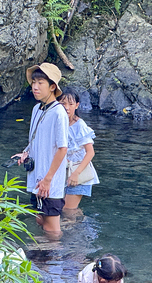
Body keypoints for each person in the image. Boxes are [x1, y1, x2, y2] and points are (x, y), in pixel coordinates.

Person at [11, 62, 68, 236]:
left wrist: (48, 180)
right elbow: (36, 139)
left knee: (52, 229)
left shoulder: (59, 113)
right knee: (39, 220)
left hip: (48, 182)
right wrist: (26, 152)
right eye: (33, 82)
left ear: (52, 87)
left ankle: (53, 261)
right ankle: (42, 260)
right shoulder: (37, 108)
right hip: (37, 178)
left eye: (40, 83)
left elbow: (62, 148)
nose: (35, 87)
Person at [59, 86, 99, 211]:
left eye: (70, 104)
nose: (66, 107)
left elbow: (90, 152)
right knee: (64, 211)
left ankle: (83, 229)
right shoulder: (58, 123)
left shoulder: (79, 125)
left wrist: (76, 174)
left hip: (78, 172)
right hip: (63, 172)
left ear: (76, 106)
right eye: (62, 103)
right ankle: (81, 227)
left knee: (68, 211)